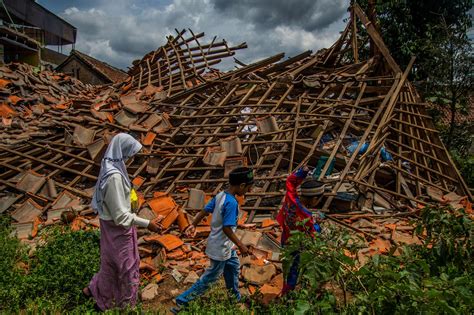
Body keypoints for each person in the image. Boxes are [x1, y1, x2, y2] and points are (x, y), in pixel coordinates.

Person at [83, 133, 161, 311]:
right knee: (126, 268)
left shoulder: (111, 167)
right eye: (130, 153)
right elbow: (120, 216)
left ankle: (96, 292)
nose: (131, 158)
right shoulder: (114, 177)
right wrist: (148, 223)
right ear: (122, 151)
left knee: (110, 264)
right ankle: (126, 306)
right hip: (117, 230)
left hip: (111, 228)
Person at [172, 167, 254, 313]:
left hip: (224, 246)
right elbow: (227, 228)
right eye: (248, 187)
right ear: (241, 186)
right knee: (210, 278)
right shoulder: (232, 203)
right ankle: (182, 301)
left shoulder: (221, 195)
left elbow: (205, 210)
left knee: (233, 267)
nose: (248, 191)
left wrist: (193, 224)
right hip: (221, 248)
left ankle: (234, 297)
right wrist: (241, 245)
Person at [276, 166, 325, 296]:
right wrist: (318, 226)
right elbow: (314, 234)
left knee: (287, 268)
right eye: (319, 200)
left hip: (285, 238)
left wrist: (303, 172)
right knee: (294, 270)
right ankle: (288, 295)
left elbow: (290, 181)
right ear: (314, 199)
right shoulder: (306, 216)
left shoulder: (291, 197)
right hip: (297, 246)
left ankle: (287, 290)